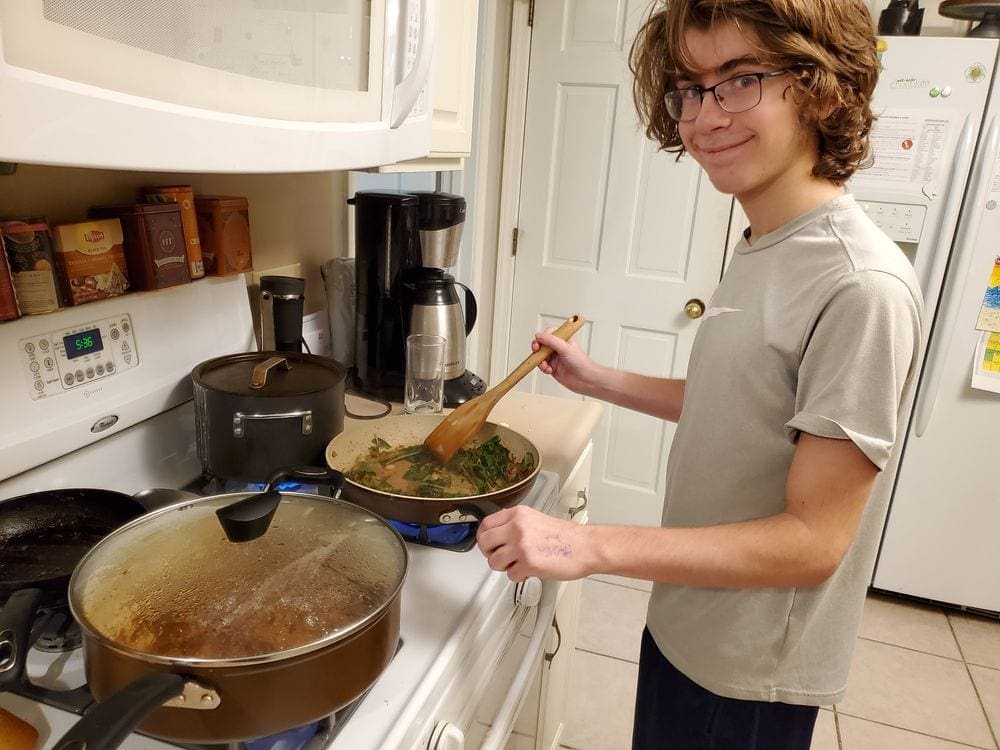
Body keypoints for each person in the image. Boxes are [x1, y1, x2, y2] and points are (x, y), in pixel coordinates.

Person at [475, 1, 924, 748]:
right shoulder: (766, 241)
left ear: (821, 85)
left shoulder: (859, 286)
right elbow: (749, 408)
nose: (705, 115)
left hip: (747, 672)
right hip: (692, 620)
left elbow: (813, 542)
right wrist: (601, 379)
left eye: (741, 78)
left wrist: (588, 545)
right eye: (688, 88)